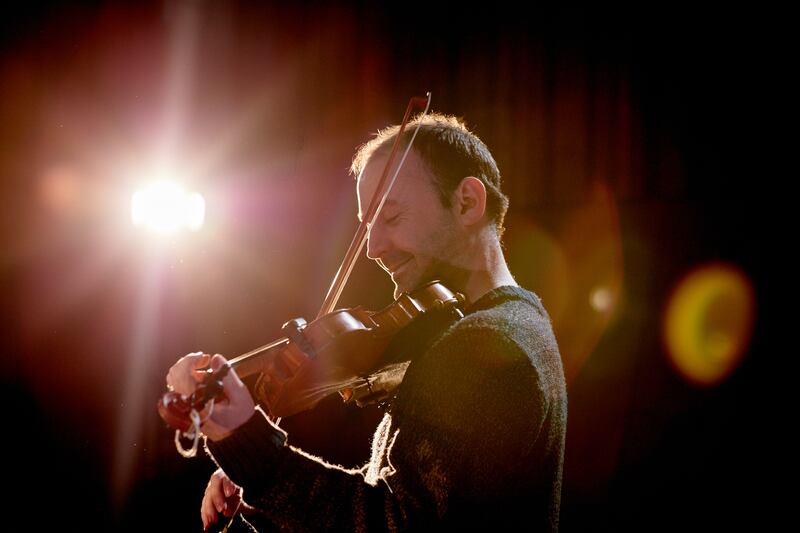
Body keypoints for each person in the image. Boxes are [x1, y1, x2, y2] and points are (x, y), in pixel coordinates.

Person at [166, 113, 568, 532]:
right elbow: (405, 501)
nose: (374, 248)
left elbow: (394, 524)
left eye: (391, 218)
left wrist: (261, 461)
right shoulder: (521, 321)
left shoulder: (484, 346)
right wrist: (272, 505)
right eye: (368, 226)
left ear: (467, 202)